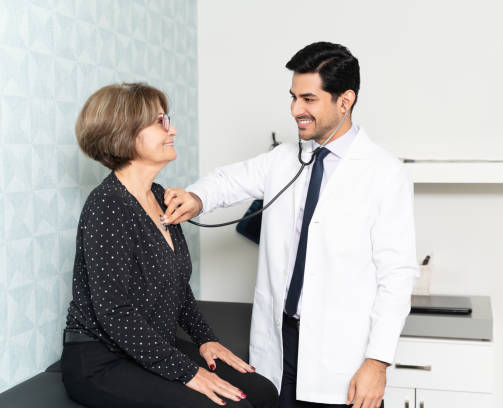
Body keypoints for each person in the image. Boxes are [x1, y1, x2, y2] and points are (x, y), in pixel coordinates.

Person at [164, 42, 418, 408]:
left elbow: (397, 276)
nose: (295, 110)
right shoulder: (284, 159)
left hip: (342, 357)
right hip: (279, 343)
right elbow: (228, 181)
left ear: (345, 100)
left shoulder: (384, 174)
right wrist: (196, 197)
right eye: (293, 97)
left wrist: (376, 363)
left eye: (309, 99)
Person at [61, 83, 279, 408]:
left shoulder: (163, 197)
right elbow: (114, 312)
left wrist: (206, 340)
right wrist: (188, 372)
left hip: (150, 346)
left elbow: (178, 288)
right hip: (102, 360)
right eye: (160, 122)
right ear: (125, 133)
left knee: (262, 391)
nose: (172, 129)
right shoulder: (108, 206)